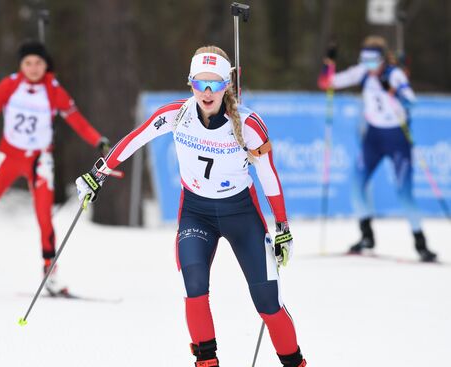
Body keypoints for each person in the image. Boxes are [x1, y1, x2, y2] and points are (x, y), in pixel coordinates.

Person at [76, 46, 306, 367]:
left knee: (268, 303)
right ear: (190, 84)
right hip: (196, 214)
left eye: (215, 84)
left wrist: (282, 228)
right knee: (194, 287)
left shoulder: (249, 124)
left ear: (227, 85)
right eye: (200, 83)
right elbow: (135, 139)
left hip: (242, 215)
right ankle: (207, 363)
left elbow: (268, 176)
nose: (207, 92)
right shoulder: (176, 114)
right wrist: (97, 173)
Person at [0, 40, 111, 294]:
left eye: (38, 63)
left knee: (44, 217)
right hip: (8, 155)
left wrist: (98, 141)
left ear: (46, 65)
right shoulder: (10, 85)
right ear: (21, 65)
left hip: (39, 160)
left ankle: (50, 272)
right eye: (28, 63)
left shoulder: (54, 89)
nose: (33, 68)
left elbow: (77, 121)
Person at [318, 35, 437, 262]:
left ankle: (421, 244)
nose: (368, 65)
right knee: (357, 184)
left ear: (383, 60)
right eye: (364, 59)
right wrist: (328, 63)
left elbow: (412, 102)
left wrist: (393, 91)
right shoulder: (362, 72)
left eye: (372, 60)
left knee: (404, 193)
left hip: (397, 138)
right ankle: (366, 236)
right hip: (373, 137)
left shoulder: (395, 74)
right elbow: (327, 83)